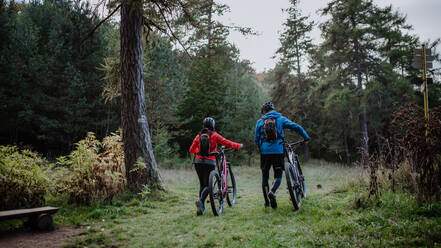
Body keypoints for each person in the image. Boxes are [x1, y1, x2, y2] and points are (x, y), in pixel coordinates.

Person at [254, 102, 310, 209]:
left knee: (265, 177)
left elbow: (256, 139)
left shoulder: (260, 122)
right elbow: (295, 127)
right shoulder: (280, 119)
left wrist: (262, 147)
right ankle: (272, 191)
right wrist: (305, 137)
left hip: (265, 152)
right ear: (273, 109)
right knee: (278, 175)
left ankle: (267, 202)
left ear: (264, 112)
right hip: (278, 150)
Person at [189, 117, 243, 216]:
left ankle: (201, 207)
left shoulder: (199, 136)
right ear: (213, 126)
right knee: (207, 185)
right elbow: (227, 142)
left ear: (203, 126)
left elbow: (191, 150)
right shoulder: (214, 135)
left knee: (202, 184)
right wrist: (238, 146)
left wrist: (200, 152)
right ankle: (201, 202)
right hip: (210, 162)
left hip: (198, 162)